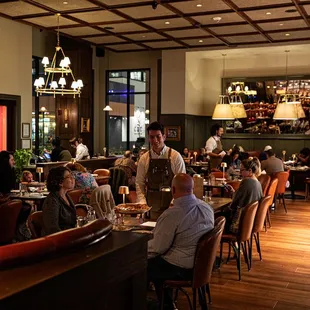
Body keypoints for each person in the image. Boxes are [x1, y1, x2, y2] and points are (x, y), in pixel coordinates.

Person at [147, 173, 214, 309]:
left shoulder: (172, 214)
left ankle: (163, 304)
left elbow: (158, 248)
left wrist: (138, 247)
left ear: (173, 190)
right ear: (192, 188)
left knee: (140, 265)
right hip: (202, 266)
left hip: (182, 268)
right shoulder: (206, 208)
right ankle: (166, 301)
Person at [136, 122, 185, 217]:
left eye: (158, 136)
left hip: (172, 205)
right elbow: (139, 182)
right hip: (151, 205)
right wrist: (142, 202)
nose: (155, 140)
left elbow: (181, 183)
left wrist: (174, 202)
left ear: (164, 136)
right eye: (151, 137)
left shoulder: (175, 157)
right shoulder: (144, 158)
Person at [224, 157, 263, 232]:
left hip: (241, 223)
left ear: (250, 171)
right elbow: (244, 198)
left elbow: (234, 204)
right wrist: (233, 192)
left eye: (242, 170)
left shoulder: (246, 181)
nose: (240, 173)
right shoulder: (257, 182)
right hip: (251, 221)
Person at [42, 166, 76, 235]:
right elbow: (52, 229)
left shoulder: (66, 195)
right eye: (69, 177)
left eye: (72, 175)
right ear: (60, 182)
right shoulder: (52, 201)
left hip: (70, 236)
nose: (73, 178)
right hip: (60, 241)